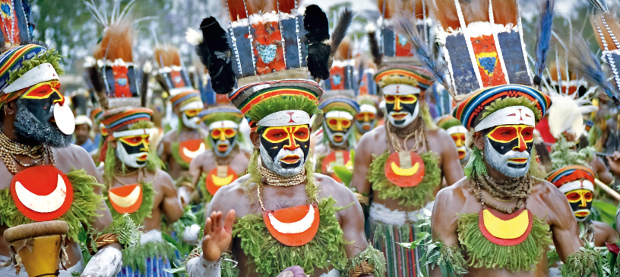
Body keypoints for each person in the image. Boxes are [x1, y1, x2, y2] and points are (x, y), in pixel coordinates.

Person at [185, 3, 386, 276]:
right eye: (279, 135)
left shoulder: (338, 195)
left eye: (300, 134)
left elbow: (364, 268)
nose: (292, 146)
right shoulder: (230, 201)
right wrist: (209, 261)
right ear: (256, 138)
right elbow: (200, 270)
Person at [0, 44, 123, 277]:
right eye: (42, 93)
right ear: (10, 106)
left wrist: (98, 270)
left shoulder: (77, 158)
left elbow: (109, 239)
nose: (57, 100)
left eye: (56, 90)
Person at [99, 107, 183, 276]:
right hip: (113, 262)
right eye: (136, 140)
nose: (144, 147)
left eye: (146, 140)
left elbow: (177, 218)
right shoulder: (98, 181)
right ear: (113, 142)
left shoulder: (160, 179)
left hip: (155, 262)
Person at [154, 46, 208, 181]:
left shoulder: (208, 137)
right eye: (191, 112)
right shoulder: (168, 141)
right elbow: (156, 174)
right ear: (177, 112)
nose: (196, 117)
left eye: (198, 113)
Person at [184, 106, 250, 205]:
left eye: (228, 132)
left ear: (237, 134)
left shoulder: (248, 158)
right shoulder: (200, 160)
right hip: (208, 214)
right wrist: (184, 196)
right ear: (210, 135)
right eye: (217, 133)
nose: (222, 138)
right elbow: (188, 187)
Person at [314, 94, 359, 183]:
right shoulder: (315, 153)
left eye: (344, 123)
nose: (339, 128)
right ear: (325, 123)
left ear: (351, 124)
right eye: (333, 122)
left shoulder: (359, 151)